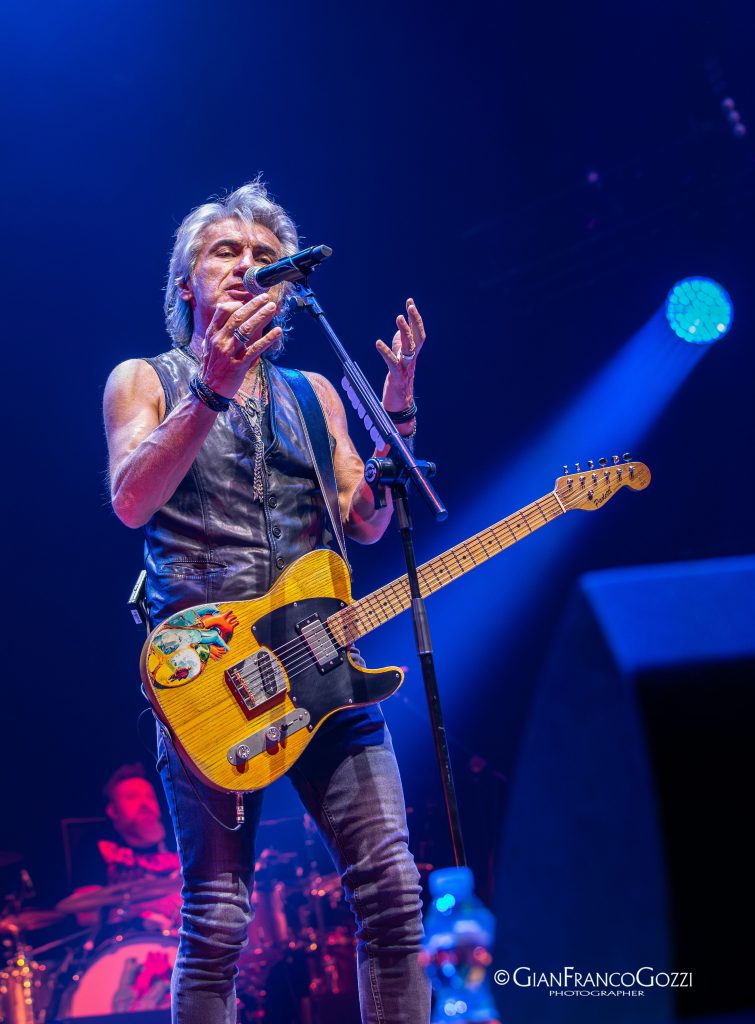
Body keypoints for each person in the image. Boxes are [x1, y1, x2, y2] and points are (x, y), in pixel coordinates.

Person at [103, 179, 430, 1024]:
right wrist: (210, 389)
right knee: (217, 923)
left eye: (264, 256)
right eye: (226, 252)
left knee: (394, 892)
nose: (248, 265)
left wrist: (396, 412)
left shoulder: (314, 393)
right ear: (186, 282)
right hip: (211, 678)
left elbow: (367, 521)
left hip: (325, 667)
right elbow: (131, 501)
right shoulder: (143, 379)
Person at [69, 763, 181, 932]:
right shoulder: (95, 847)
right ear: (113, 811)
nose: (145, 804)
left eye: (150, 797)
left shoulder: (180, 839)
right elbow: (85, 916)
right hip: (126, 938)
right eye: (131, 797)